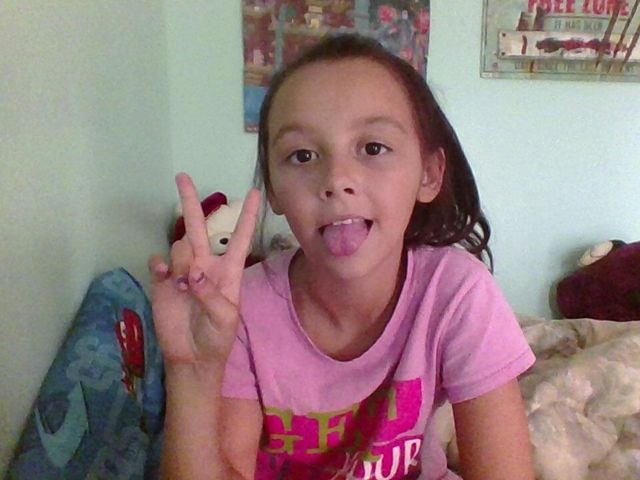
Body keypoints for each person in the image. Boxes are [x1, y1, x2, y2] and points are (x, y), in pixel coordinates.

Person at [148, 34, 536, 480]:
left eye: (373, 148)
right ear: (274, 190)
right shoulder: (238, 309)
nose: (336, 179)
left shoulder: (457, 293)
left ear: (428, 174)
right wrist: (191, 373)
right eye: (303, 155)